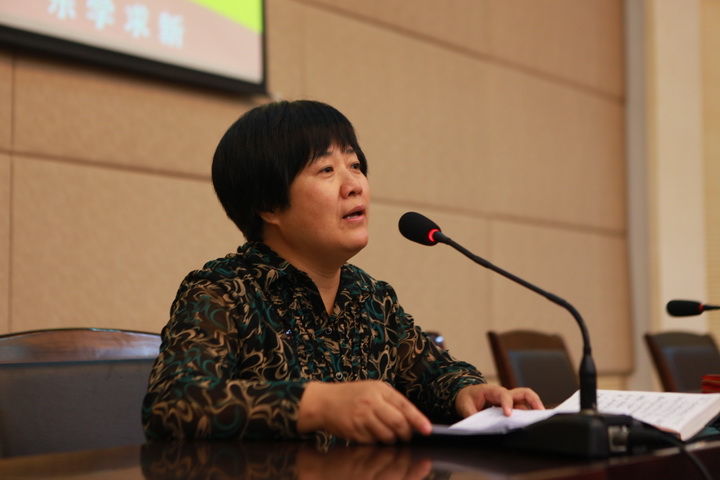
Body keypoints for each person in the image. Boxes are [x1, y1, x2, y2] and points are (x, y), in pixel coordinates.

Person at [142, 100, 543, 445]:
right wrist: (317, 403)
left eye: (355, 165)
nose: (354, 185)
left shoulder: (371, 297)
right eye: (326, 170)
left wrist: (469, 391)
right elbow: (173, 403)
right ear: (268, 205)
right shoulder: (223, 292)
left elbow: (434, 373)